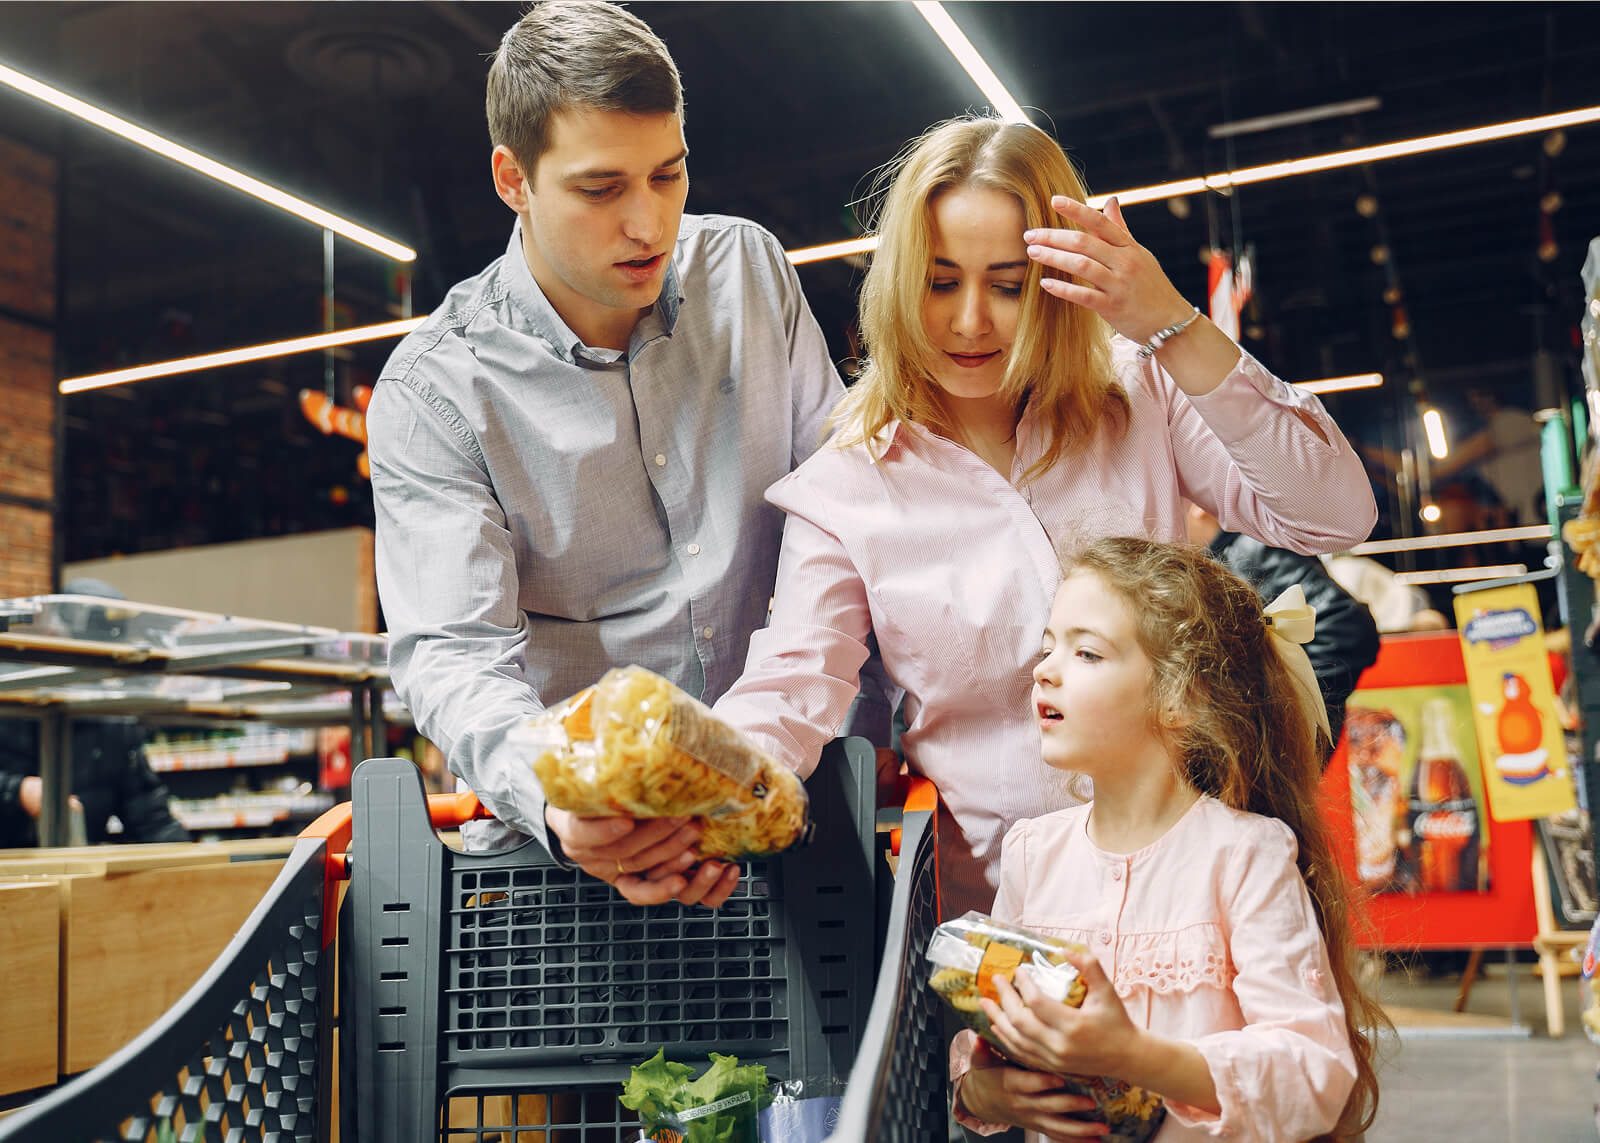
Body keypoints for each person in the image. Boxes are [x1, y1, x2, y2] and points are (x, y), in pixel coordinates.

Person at [711, 116, 1377, 918]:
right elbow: (793, 681)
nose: (969, 322)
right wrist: (697, 791)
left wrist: (1172, 323)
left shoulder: (1141, 396)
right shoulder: (850, 485)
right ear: (898, 281)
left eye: (1007, 284)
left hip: (1200, 891)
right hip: (1008, 931)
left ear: (1059, 283)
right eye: (941, 279)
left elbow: (1335, 513)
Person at [366, 0, 862, 909]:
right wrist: (562, 805)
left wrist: (764, 750)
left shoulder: (748, 274)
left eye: (668, 175)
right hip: (592, 870)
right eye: (601, 190)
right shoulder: (436, 393)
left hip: (801, 807)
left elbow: (837, 523)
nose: (649, 224)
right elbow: (453, 656)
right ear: (513, 179)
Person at [950, 537, 1383, 1142]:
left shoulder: (1244, 856)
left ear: (1181, 695)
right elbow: (988, 1038)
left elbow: (1314, 1075)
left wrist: (1133, 1056)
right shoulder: (1031, 854)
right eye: (1049, 648)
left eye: (1088, 654)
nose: (1044, 669)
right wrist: (983, 1088)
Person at [0, 580, 189, 848]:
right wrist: (16, 790)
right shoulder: (9, 700)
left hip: (71, 873)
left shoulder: (113, 723)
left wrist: (187, 863)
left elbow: (150, 816)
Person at [1185, 503, 1380, 748]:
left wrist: (1289, 714)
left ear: (1198, 506)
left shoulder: (1249, 549)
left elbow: (1344, 625)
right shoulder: (1228, 555)